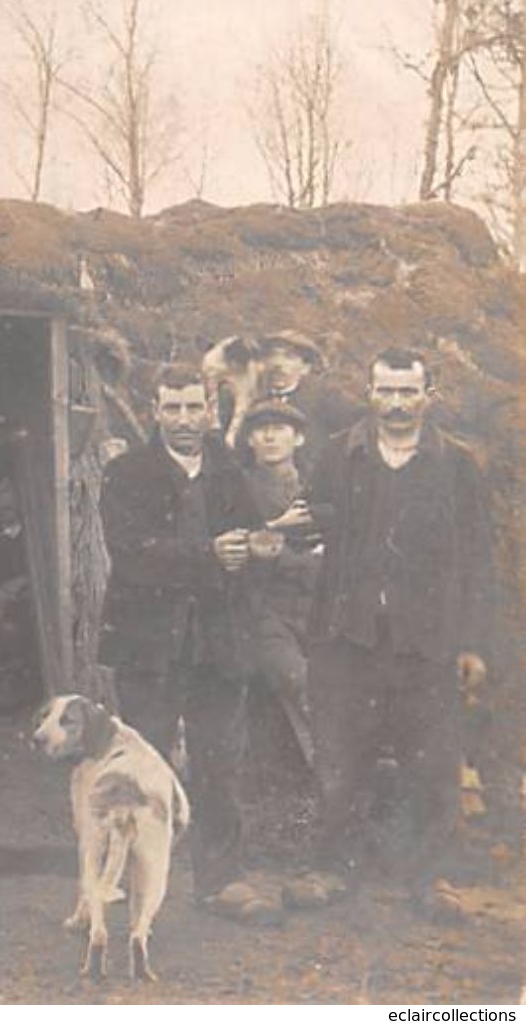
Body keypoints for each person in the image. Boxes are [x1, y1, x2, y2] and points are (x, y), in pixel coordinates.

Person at [300, 348, 495, 923]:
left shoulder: (457, 465)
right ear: (369, 391)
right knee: (340, 757)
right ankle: (333, 868)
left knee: (431, 764)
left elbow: (478, 561)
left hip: (426, 643)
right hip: (348, 639)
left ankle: (428, 877)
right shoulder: (339, 456)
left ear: (429, 395)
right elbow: (310, 526)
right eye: (386, 391)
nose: (396, 404)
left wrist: (473, 644)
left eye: (409, 392)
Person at [97, 362, 275, 922]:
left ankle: (219, 880)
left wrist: (258, 549)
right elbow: (131, 554)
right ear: (154, 410)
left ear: (210, 410)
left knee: (219, 761)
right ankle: (130, 879)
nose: (183, 420)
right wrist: (208, 556)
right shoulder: (127, 473)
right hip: (150, 643)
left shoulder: (230, 476)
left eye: (194, 407)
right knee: (141, 765)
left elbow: (251, 545)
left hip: (217, 643)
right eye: (172, 407)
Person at [237, 398, 321, 770]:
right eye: (260, 429)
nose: (270, 437)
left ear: (298, 439)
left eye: (280, 429)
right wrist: (304, 555)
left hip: (316, 608)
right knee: (300, 682)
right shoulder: (236, 487)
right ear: (250, 439)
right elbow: (255, 549)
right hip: (263, 611)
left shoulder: (315, 486)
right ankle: (329, 774)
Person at [255, 328, 354, 475]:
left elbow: (358, 425)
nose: (277, 363)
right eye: (272, 355)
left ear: (305, 368)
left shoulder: (325, 398)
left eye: (289, 357)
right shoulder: (253, 400)